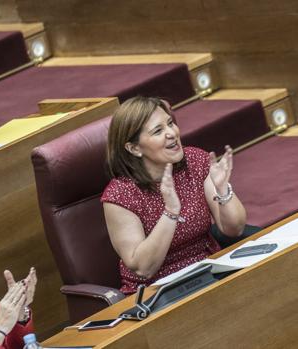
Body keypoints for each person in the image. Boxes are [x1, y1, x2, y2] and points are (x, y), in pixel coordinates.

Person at [101, 96, 247, 294]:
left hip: (210, 271)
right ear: (134, 148)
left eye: (170, 123)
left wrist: (223, 190)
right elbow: (143, 268)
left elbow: (234, 229)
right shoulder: (120, 195)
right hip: (158, 293)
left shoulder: (194, 160)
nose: (171, 133)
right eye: (158, 131)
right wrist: (170, 212)